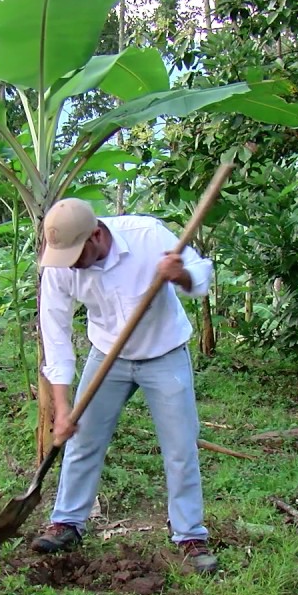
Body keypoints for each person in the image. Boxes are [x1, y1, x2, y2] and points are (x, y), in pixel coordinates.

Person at [32, 197, 217, 574]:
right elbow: (56, 335)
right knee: (82, 440)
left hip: (164, 351)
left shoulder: (146, 236)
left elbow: (200, 272)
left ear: (96, 236)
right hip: (106, 356)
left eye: (76, 255)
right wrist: (63, 407)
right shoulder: (59, 265)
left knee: (181, 447)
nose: (70, 265)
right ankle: (67, 521)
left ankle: (189, 535)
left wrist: (178, 275)